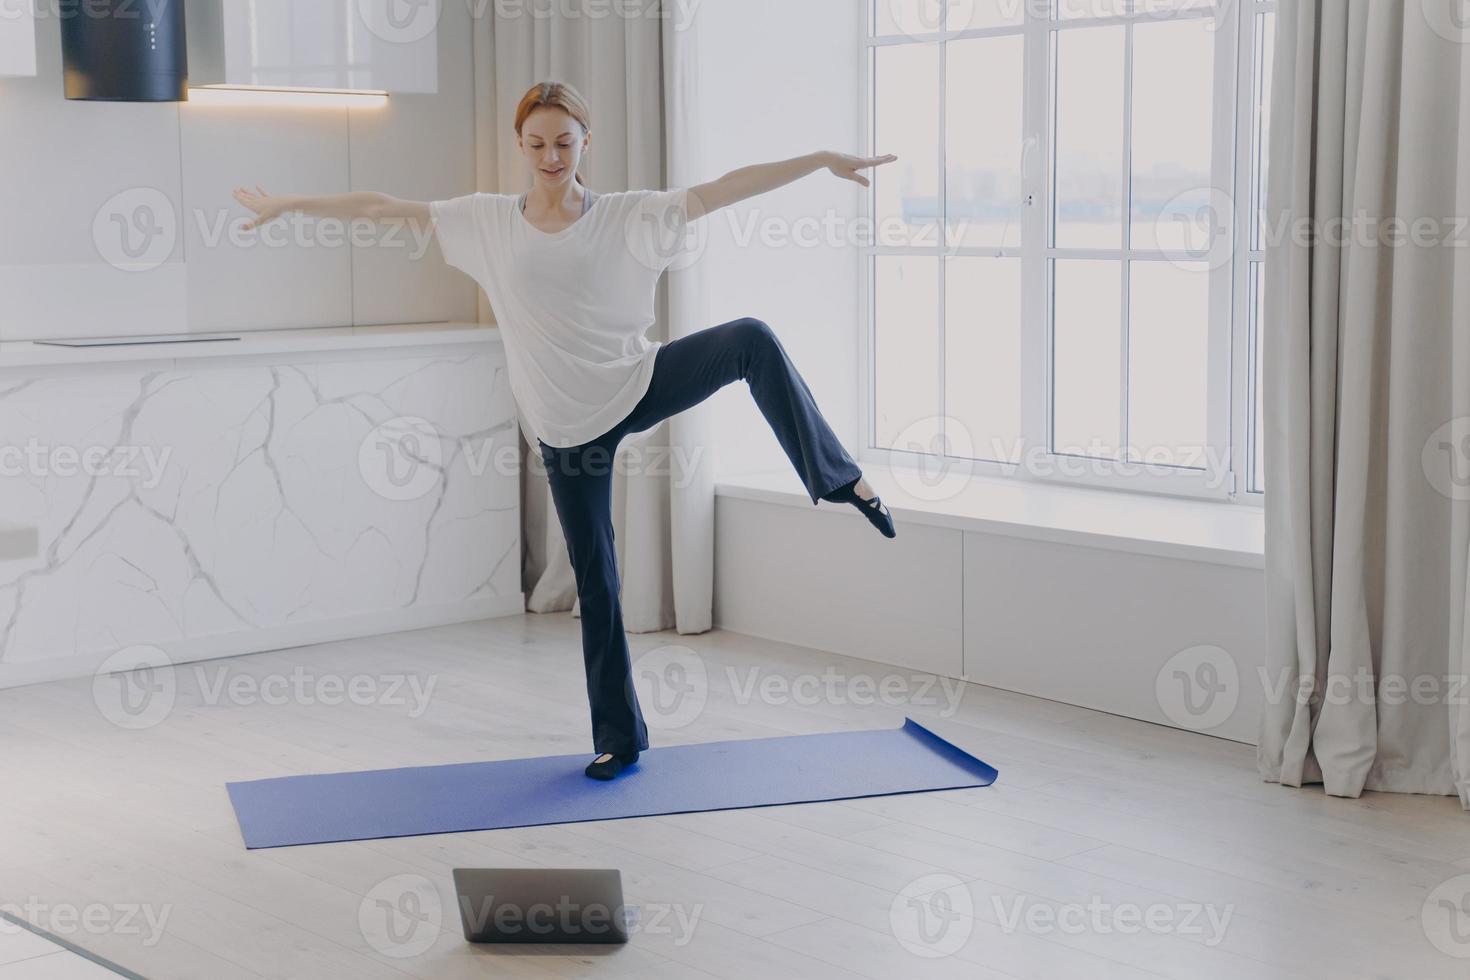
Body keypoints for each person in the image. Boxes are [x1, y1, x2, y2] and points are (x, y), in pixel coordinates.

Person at [233, 79, 898, 781]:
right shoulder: (486, 221)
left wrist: (821, 157)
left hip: (631, 384)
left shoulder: (629, 215)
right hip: (563, 427)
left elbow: (726, 187)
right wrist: (288, 205)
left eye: (564, 141)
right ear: (520, 146)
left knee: (750, 339)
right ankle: (620, 738)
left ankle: (839, 478)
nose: (551, 155)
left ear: (586, 142)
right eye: (537, 143)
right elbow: (382, 208)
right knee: (598, 579)